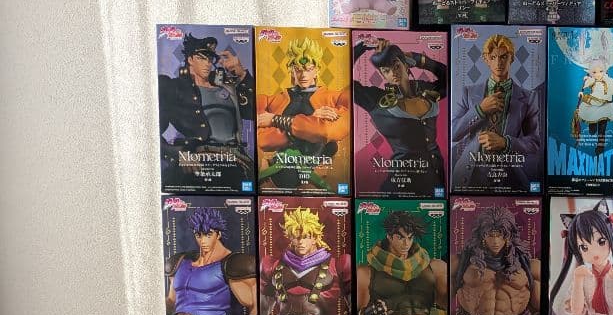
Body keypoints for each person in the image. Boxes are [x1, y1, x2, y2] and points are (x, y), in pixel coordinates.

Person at [159, 32, 254, 189]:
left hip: (236, 160)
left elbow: (252, 112)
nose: (208, 64)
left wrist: (241, 74)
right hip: (200, 159)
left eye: (210, 59)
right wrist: (179, 153)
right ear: (190, 59)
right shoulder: (175, 88)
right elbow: (151, 132)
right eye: (202, 58)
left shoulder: (228, 87)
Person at [352, 38, 447, 195]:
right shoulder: (376, 100)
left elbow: (448, 78)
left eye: (396, 66)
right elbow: (346, 83)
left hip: (436, 178)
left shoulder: (425, 89)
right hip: (401, 184)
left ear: (406, 65)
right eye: (386, 71)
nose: (393, 73)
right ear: (382, 75)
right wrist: (363, 46)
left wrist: (416, 58)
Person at [450, 33, 542, 190]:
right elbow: (453, 133)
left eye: (503, 57)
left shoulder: (529, 97)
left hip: (508, 176)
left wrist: (506, 142)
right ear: (486, 59)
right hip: (469, 175)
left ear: (512, 58)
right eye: (493, 57)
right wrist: (480, 110)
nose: (498, 62)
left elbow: (534, 143)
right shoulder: (468, 93)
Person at [257, 37, 349, 192]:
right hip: (271, 179)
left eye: (309, 69)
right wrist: (312, 121)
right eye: (298, 69)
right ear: (291, 69)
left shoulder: (337, 98)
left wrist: (275, 120)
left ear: (317, 69)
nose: (303, 75)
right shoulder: (269, 100)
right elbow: (263, 141)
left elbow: (326, 131)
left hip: (314, 183)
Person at [261, 206, 351, 315]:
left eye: (306, 236)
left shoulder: (337, 265)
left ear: (315, 237)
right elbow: (262, 311)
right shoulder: (273, 266)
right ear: (290, 237)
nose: (301, 242)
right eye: (296, 236)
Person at [356, 210, 448, 315]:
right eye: (400, 237)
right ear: (389, 236)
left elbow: (451, 306)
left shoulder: (434, 267)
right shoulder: (367, 271)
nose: (406, 243)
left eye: (410, 238)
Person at [451, 205, 541, 315]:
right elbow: (441, 299)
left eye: (501, 235)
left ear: (509, 235)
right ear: (482, 235)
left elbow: (540, 308)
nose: (496, 241)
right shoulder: (462, 262)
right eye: (490, 235)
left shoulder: (529, 266)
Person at [166, 207, 257, 315]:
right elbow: (171, 301)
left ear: (218, 234)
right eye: (198, 235)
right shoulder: (179, 262)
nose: (203, 240)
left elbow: (254, 306)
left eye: (208, 234)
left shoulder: (232, 264)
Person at [570, 60, 613, 155]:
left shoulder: (609, 81)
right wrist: (585, 84)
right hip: (594, 107)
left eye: (601, 71)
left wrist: (584, 97)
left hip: (605, 108)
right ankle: (592, 125)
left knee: (602, 129)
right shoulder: (592, 81)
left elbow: (603, 97)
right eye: (594, 72)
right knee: (592, 124)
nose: (598, 74)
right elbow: (588, 85)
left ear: (605, 70)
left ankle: (600, 146)